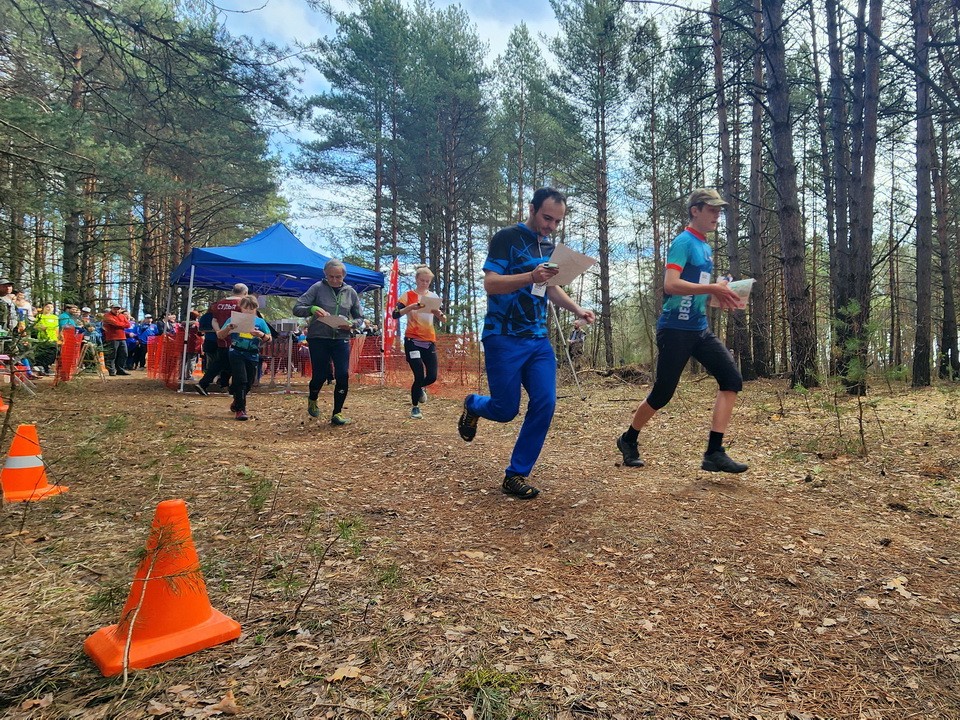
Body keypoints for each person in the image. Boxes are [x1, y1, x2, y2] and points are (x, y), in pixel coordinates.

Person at [457, 187, 595, 500]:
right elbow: (491, 284)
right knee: (506, 410)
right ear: (531, 209)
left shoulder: (549, 246)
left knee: (545, 402)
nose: (551, 226)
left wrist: (577, 308)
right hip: (502, 336)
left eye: (557, 221)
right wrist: (530, 276)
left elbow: (550, 288)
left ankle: (516, 474)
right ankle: (472, 405)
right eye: (547, 218)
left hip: (537, 339)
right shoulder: (506, 238)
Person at [616, 188, 748, 474]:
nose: (716, 215)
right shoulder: (683, 242)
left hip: (699, 329)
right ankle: (628, 439)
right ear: (695, 210)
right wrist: (711, 287)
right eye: (711, 210)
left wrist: (719, 294)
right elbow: (671, 285)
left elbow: (696, 289)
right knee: (663, 394)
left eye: (719, 211)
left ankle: (714, 452)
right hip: (674, 329)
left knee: (731, 380)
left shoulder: (705, 247)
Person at [292, 259, 363, 426]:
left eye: (338, 277)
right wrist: (312, 309)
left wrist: (352, 324)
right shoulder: (317, 288)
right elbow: (297, 308)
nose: (334, 280)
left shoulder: (350, 292)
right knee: (321, 375)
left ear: (344, 276)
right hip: (318, 337)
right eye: (331, 277)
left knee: (342, 375)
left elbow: (360, 318)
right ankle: (313, 397)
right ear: (325, 275)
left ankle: (337, 413)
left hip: (341, 337)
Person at [393, 266, 447, 419]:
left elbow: (443, 317)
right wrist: (411, 307)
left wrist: (440, 315)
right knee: (418, 373)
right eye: (422, 280)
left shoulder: (432, 296)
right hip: (412, 340)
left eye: (427, 281)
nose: (424, 283)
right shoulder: (408, 295)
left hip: (429, 340)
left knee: (432, 376)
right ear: (416, 279)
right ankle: (415, 407)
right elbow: (395, 314)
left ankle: (420, 388)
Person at [216, 296, 271, 421]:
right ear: (241, 308)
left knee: (249, 382)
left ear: (256, 309)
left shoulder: (260, 322)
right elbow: (220, 335)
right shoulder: (232, 319)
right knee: (241, 379)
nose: (248, 311)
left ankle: (237, 401)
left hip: (252, 354)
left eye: (251, 309)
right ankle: (241, 410)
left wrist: (260, 334)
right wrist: (229, 328)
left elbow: (269, 338)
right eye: (245, 308)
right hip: (236, 352)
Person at [193, 283, 248, 395]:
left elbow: (214, 320)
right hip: (237, 339)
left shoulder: (219, 304)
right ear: (245, 293)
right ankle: (229, 387)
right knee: (234, 364)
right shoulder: (242, 303)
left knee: (222, 362)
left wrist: (219, 332)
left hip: (222, 338)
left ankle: (218, 384)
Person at [101, 305, 132, 376]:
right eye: (115, 309)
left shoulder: (122, 316)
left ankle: (120, 369)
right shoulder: (107, 315)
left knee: (124, 354)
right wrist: (122, 324)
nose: (117, 310)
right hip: (112, 338)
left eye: (118, 309)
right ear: (111, 309)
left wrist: (120, 324)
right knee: (112, 355)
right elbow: (115, 324)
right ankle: (111, 370)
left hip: (122, 337)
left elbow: (128, 325)